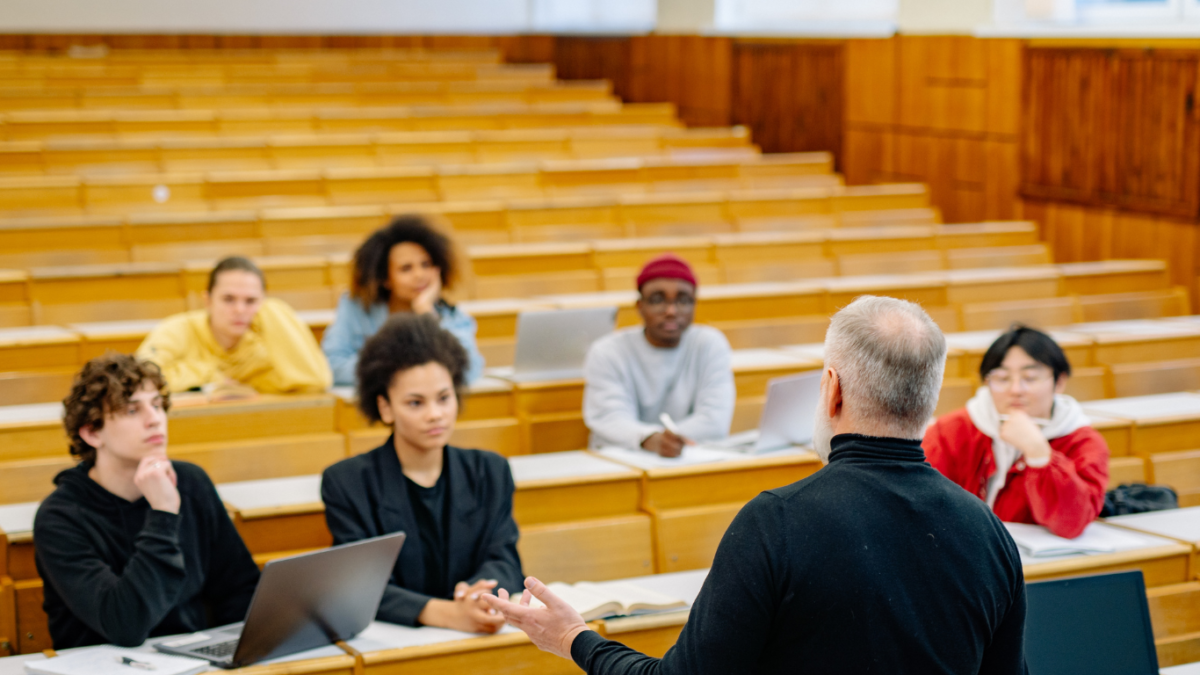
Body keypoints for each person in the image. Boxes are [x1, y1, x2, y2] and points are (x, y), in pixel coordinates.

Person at [485, 295, 1028, 674]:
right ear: (928, 397)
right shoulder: (987, 531)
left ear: (831, 389)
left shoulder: (777, 522)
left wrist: (573, 639)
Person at [33, 354, 260, 649]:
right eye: (131, 410)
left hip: (193, 662)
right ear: (92, 432)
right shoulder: (59, 518)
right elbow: (125, 625)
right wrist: (164, 513)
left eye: (156, 405)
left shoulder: (191, 482)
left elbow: (239, 589)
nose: (155, 419)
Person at [320, 313, 522, 632]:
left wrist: (480, 593)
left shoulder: (490, 471)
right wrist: (447, 613)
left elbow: (506, 559)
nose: (435, 415)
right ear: (385, 408)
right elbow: (358, 586)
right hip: (394, 639)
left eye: (444, 398)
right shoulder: (347, 483)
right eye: (415, 403)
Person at [924, 325, 1109, 539]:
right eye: (1002, 379)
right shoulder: (953, 430)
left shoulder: (1083, 442)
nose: (1016, 390)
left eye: (1030, 378)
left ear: (1059, 382)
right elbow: (924, 499)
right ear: (987, 382)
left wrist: (1040, 455)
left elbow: (1071, 524)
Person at [582, 254, 734, 457]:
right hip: (623, 460)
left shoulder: (709, 344)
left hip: (691, 459)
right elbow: (609, 418)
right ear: (640, 306)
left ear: (694, 305)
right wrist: (650, 439)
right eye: (657, 300)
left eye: (683, 300)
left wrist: (668, 441)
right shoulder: (607, 351)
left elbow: (714, 419)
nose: (671, 311)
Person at [321, 215, 484, 387]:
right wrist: (404, 371)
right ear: (385, 278)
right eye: (406, 268)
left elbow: (470, 370)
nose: (419, 275)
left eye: (426, 265)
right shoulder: (356, 307)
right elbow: (332, 366)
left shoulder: (447, 314)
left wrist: (426, 313)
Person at [136, 256, 331, 395]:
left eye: (251, 301)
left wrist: (273, 310)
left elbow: (314, 381)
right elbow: (141, 378)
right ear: (208, 301)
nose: (239, 310)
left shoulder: (260, 348)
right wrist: (211, 375)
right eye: (229, 299)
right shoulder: (177, 330)